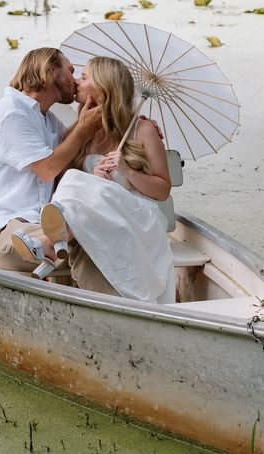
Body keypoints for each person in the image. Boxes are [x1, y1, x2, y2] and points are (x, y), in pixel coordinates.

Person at [13, 57, 176, 304]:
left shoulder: (142, 130)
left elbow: (163, 190)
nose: (76, 81)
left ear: (103, 88)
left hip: (136, 218)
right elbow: (55, 181)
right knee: (76, 180)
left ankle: (48, 245)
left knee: (75, 180)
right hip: (98, 218)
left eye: (84, 77)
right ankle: (52, 245)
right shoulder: (78, 133)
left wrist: (127, 171)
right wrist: (94, 179)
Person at [0, 47, 102, 273]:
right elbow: (47, 168)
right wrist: (83, 128)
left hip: (43, 225)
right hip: (2, 232)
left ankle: (109, 303)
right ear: (50, 71)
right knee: (95, 243)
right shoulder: (10, 112)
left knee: (101, 242)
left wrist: (136, 125)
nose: (75, 79)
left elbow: (75, 145)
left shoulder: (46, 119)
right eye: (70, 71)